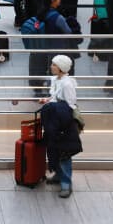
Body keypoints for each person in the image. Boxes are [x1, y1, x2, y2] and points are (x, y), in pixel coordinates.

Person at [39, 69, 82, 198]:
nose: (51, 66)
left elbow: (70, 104)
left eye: (54, 64)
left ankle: (66, 184)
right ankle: (59, 176)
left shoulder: (67, 84)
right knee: (54, 150)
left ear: (61, 67)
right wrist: (48, 101)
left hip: (63, 123)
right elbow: (55, 98)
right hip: (54, 121)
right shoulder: (56, 80)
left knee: (64, 152)